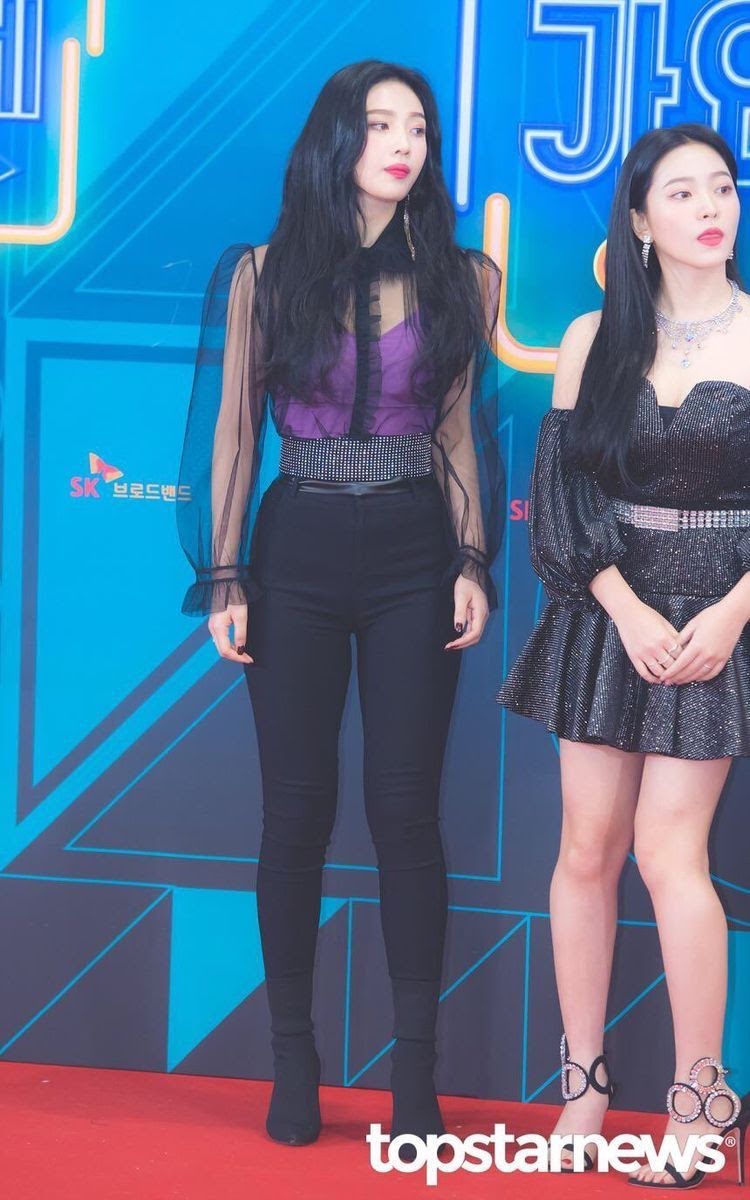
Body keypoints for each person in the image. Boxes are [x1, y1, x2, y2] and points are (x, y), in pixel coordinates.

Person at [177, 60, 503, 1152]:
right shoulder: (263, 274)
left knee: (406, 812)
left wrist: (472, 560)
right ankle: (293, 1062)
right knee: (296, 812)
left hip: (416, 550)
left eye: (418, 128)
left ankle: (415, 1074)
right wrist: (226, 576)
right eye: (380, 124)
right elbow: (233, 430)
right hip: (298, 550)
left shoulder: (467, 277)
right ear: (336, 140)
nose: (403, 144)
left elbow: (458, 433)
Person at [497, 123, 750, 1187]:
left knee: (669, 852)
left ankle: (700, 1102)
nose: (710, 206)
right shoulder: (592, 336)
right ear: (639, 221)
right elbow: (562, 498)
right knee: (586, 848)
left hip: (721, 614)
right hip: (609, 609)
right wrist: (620, 603)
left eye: (722, 186)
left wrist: (733, 613)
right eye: (681, 192)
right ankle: (585, 1091)